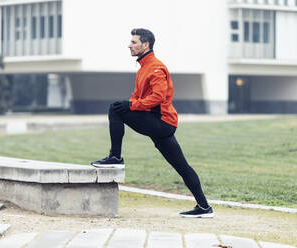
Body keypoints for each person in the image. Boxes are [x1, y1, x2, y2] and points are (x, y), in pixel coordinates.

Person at [91, 28, 214, 218]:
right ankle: (204, 207)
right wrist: (131, 104)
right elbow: (137, 97)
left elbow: (158, 97)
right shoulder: (143, 68)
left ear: (145, 44)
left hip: (162, 123)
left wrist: (131, 105)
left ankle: (115, 157)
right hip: (157, 124)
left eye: (133, 42)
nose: (129, 45)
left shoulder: (155, 67)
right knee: (183, 167)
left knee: (115, 109)